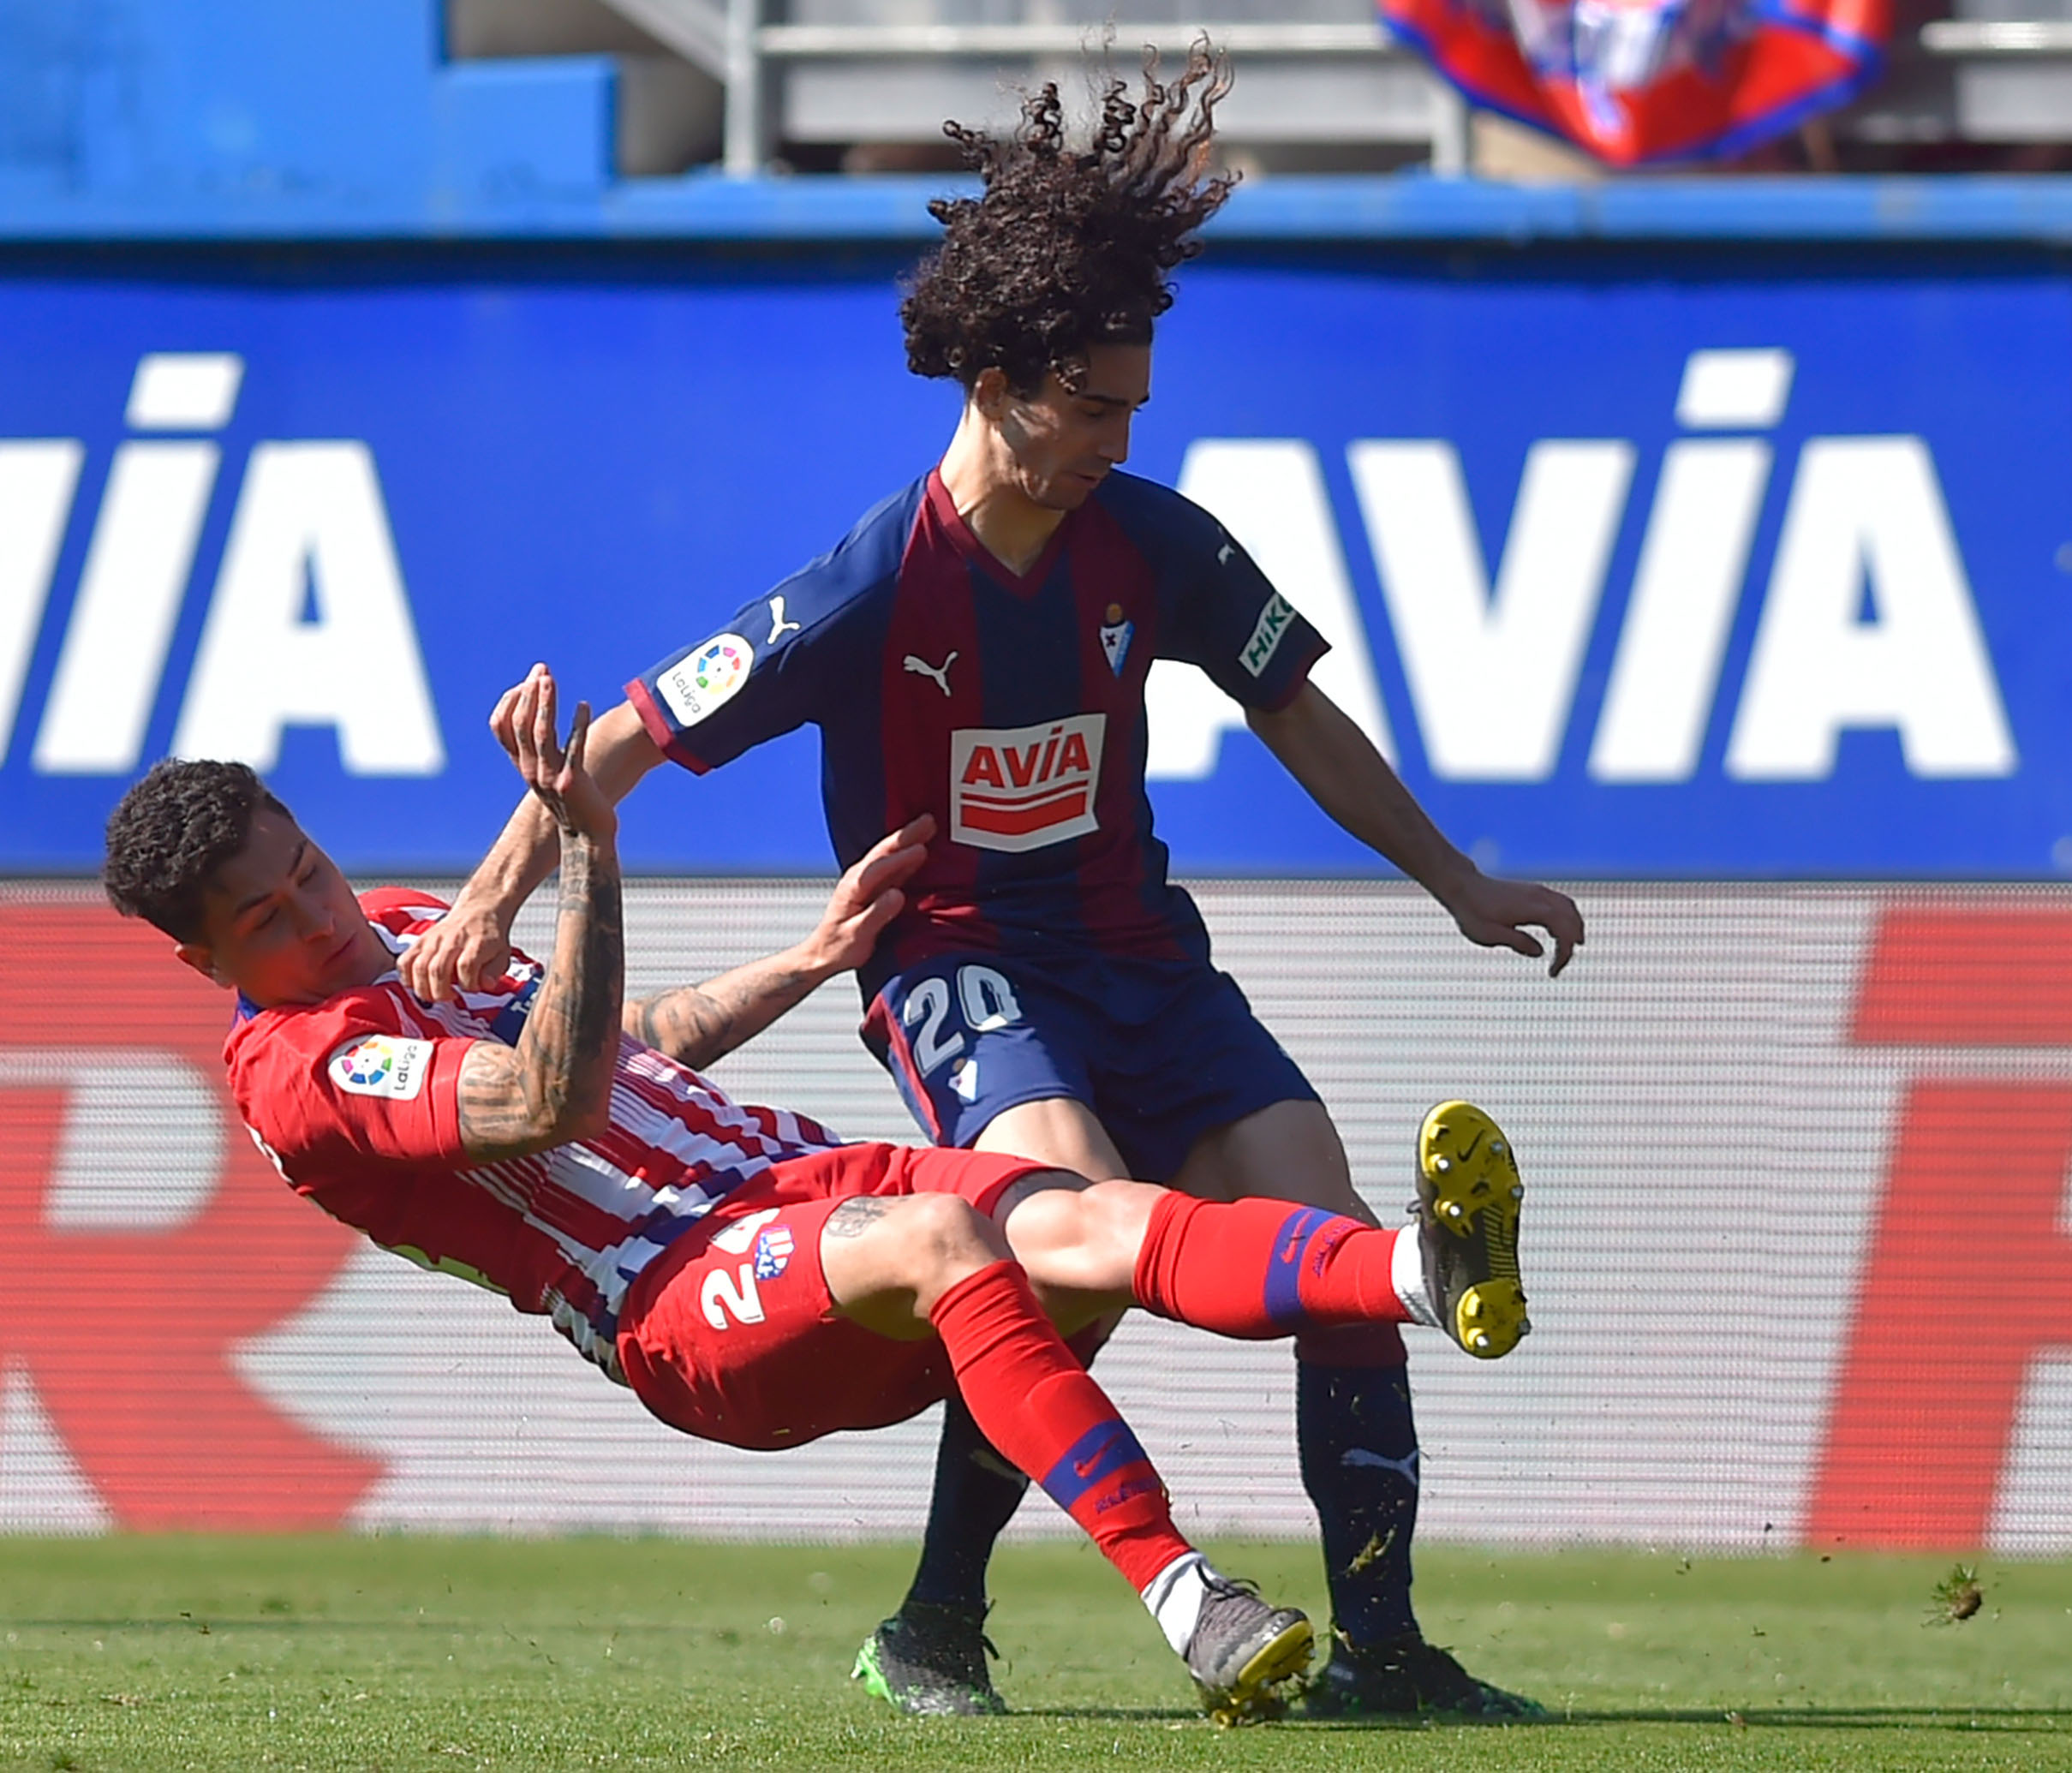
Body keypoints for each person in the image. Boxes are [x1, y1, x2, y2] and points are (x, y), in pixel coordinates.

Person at [399, 47, 1583, 1721]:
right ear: (1006, 383)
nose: (1120, 433)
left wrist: (1459, 882)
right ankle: (941, 1623)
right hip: (965, 971)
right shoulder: (867, 590)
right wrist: (492, 898)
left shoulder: (1155, 545)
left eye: (1134, 407)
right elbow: (617, 743)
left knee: (1325, 1256)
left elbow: (1294, 708)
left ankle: (1381, 1647)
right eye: (1095, 403)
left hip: (1148, 963)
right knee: (1070, 1252)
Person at [101, 666, 1534, 1722]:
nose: (321, 914)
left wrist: (804, 958)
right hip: (677, 1296)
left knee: (1087, 1216)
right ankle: (1190, 1599)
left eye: (309, 869)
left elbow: (624, 1047)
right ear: (204, 961)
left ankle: (1422, 1267)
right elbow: (554, 1099)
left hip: (791, 1183)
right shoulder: (298, 1066)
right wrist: (591, 844)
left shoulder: (408, 927)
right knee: (950, 1232)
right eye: (270, 920)